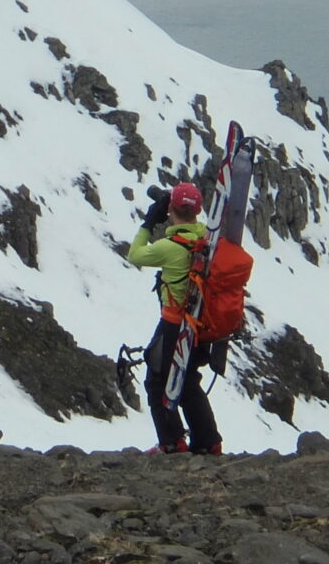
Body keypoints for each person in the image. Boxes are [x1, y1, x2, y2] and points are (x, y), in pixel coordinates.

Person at [126, 181, 222, 454]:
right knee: (188, 378)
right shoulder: (205, 237)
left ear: (171, 210)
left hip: (172, 323)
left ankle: (171, 442)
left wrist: (148, 223)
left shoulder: (169, 247)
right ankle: (208, 442)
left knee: (156, 380)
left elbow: (134, 255)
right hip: (199, 323)